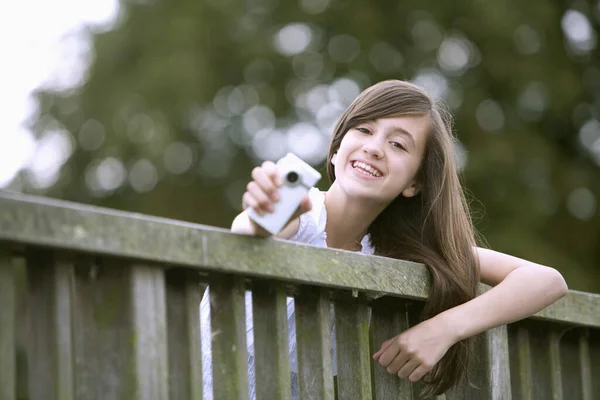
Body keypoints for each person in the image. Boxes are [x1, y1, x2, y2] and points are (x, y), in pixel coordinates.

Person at [223, 80, 568, 396]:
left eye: (398, 144)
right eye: (364, 129)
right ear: (337, 148)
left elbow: (547, 281)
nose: (374, 148)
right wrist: (267, 211)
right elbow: (249, 230)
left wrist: (445, 328)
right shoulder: (305, 214)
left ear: (414, 184)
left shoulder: (394, 251)